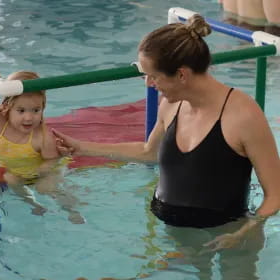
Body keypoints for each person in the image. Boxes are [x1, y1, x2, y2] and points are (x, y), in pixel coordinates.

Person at [53, 14, 280, 250]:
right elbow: (148, 152)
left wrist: (242, 234)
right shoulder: (171, 105)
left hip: (227, 232)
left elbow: (275, 195)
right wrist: (81, 147)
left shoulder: (243, 115)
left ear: (181, 74)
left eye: (154, 76)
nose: (149, 84)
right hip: (173, 232)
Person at [0, 69, 85, 224]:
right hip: (16, 172)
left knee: (45, 188)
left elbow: (52, 160)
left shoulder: (42, 135)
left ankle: (72, 210)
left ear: (43, 108)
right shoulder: (2, 118)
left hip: (41, 172)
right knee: (10, 178)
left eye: (36, 110)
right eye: (21, 110)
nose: (28, 117)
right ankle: (34, 204)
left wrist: (42, 170)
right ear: (7, 106)